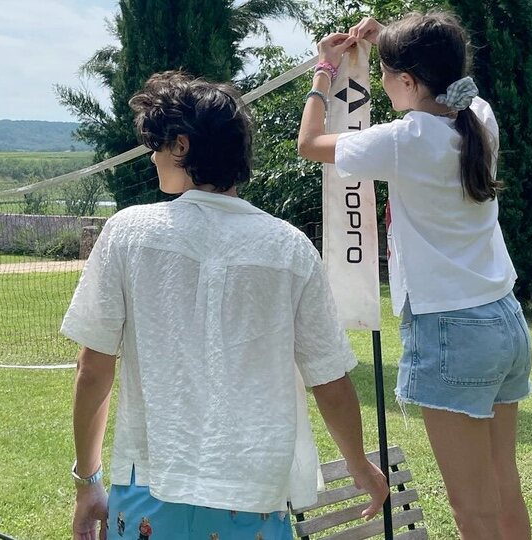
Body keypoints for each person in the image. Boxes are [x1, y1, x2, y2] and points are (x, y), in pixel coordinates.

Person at [65, 71, 389, 540]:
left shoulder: (127, 233)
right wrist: (360, 465)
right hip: (255, 495)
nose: (153, 157)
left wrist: (87, 481)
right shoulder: (291, 247)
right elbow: (330, 378)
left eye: (157, 145)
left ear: (181, 145)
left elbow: (94, 369)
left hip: (149, 488)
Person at [297, 11, 532, 540]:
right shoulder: (480, 118)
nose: (381, 83)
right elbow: (439, 96)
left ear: (407, 81)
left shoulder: (403, 141)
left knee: (472, 509)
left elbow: (310, 145)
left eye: (386, 74)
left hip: (452, 330)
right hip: (505, 321)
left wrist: (324, 70)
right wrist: (389, 44)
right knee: (503, 487)